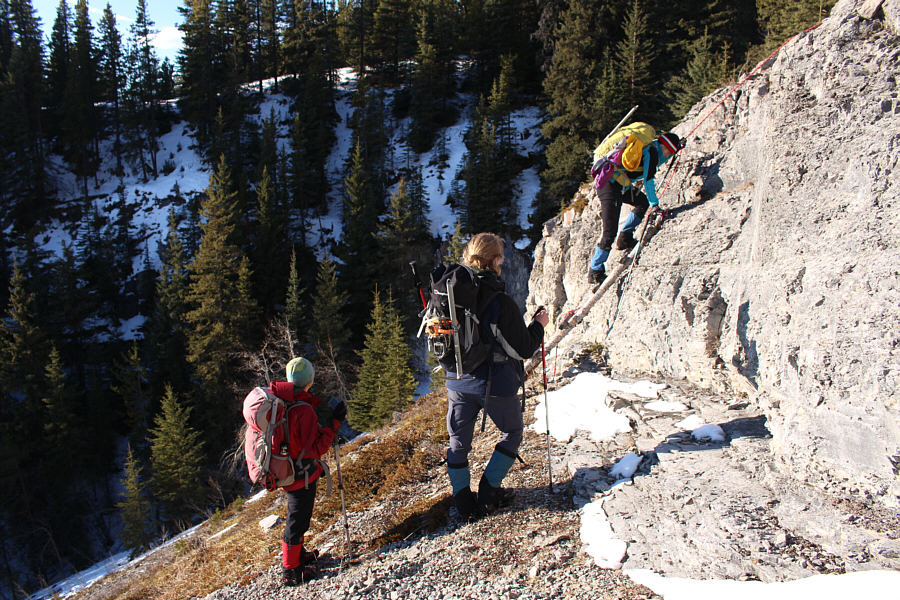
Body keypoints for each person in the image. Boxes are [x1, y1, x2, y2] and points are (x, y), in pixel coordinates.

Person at [444, 233, 549, 521]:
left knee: (458, 442)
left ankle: (463, 502)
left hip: (456, 378)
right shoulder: (499, 300)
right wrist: (538, 325)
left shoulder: (451, 293)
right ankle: (489, 491)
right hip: (494, 382)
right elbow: (523, 347)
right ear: (496, 260)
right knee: (512, 432)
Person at [275, 357, 346, 586]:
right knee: (298, 521)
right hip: (301, 475)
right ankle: (291, 570)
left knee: (298, 517)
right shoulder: (303, 410)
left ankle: (298, 554)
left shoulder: (283, 400)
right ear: (309, 381)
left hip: (288, 469)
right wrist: (334, 423)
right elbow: (314, 449)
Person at [588, 131, 685, 285]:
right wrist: (656, 204)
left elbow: (664, 157)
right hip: (610, 186)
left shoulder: (653, 148)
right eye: (669, 151)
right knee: (609, 231)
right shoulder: (652, 152)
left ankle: (625, 238)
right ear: (664, 146)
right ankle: (595, 271)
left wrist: (678, 147)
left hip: (619, 184)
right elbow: (648, 180)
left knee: (641, 202)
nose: (668, 155)